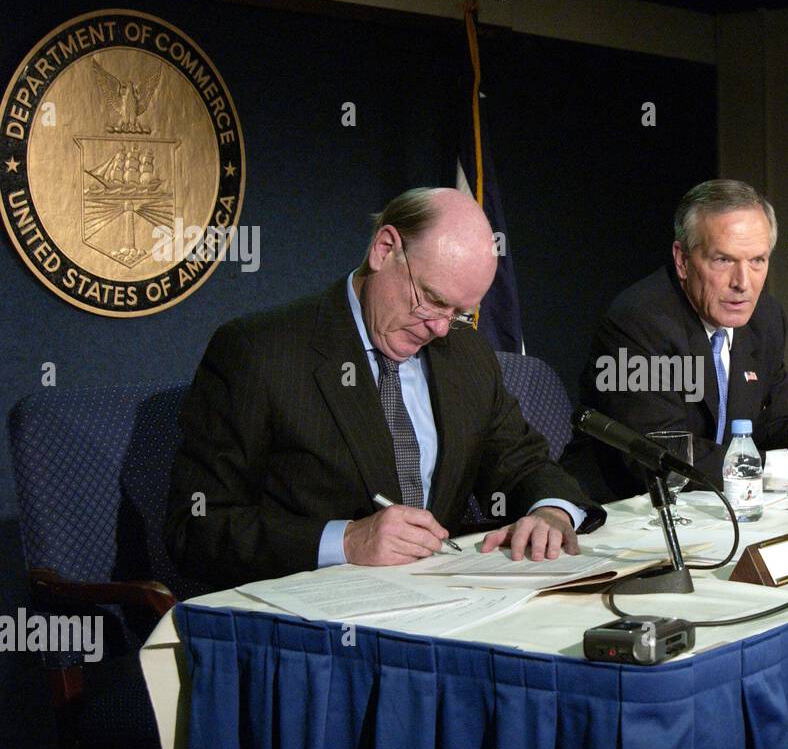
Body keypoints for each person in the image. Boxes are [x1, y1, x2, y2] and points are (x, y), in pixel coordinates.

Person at [166, 188, 604, 592]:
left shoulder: (464, 353)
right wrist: (348, 540)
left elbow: (522, 462)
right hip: (315, 616)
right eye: (431, 299)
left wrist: (550, 512)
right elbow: (197, 528)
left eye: (459, 312)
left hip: (443, 605)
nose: (438, 327)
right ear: (385, 248)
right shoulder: (259, 352)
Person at [568, 179, 788, 502]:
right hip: (626, 508)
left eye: (757, 261)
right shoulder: (640, 321)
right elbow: (660, 455)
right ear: (682, 260)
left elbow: (773, 423)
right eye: (723, 260)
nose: (743, 283)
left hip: (725, 503)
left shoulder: (765, 318)